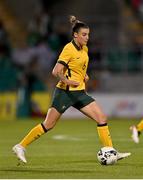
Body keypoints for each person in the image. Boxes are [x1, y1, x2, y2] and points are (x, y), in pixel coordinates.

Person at [12, 15, 131, 164]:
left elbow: (78, 66)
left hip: (80, 93)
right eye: (84, 35)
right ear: (75, 35)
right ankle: (20, 146)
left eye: (88, 34)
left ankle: (110, 151)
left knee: (102, 118)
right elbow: (56, 71)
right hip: (65, 93)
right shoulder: (68, 49)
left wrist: (84, 75)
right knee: (48, 124)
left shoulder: (84, 48)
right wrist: (67, 80)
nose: (87, 37)